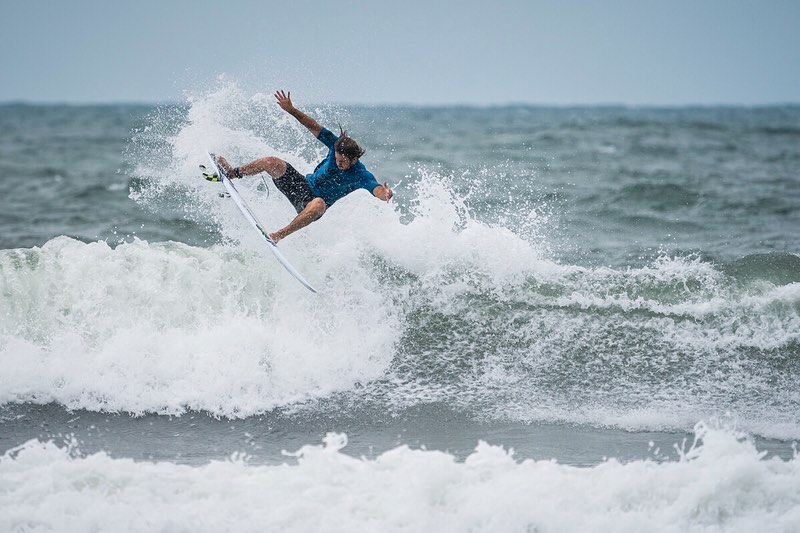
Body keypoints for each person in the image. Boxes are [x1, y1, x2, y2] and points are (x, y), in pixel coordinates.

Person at [214, 90, 393, 243]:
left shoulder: (361, 175)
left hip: (311, 206)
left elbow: (376, 189)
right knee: (272, 162)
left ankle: (278, 235)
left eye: (343, 162)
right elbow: (312, 126)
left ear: (354, 159)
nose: (339, 164)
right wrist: (291, 110)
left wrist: (385, 195)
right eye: (337, 160)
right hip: (301, 187)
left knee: (319, 203)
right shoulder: (334, 144)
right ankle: (232, 173)